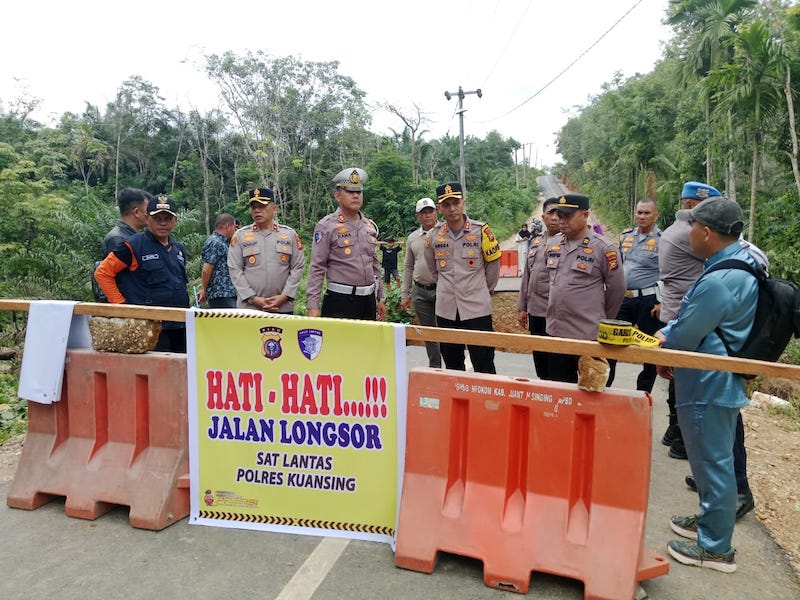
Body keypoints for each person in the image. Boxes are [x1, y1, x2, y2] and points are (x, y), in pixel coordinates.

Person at [655, 197, 758, 574]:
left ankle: (716, 548)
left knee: (714, 463)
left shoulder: (721, 279)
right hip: (709, 380)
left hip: (708, 384)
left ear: (707, 232)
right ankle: (710, 520)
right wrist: (671, 336)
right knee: (709, 461)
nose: (689, 233)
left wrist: (664, 343)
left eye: (692, 226)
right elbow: (693, 322)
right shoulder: (733, 265)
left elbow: (686, 333)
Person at [545, 193, 626, 383]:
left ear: (585, 215)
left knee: (590, 392)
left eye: (568, 215)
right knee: (559, 392)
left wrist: (601, 319)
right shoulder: (554, 243)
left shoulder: (604, 248)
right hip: (556, 333)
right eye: (559, 215)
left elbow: (617, 289)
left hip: (588, 335)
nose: (561, 220)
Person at [95, 194, 190, 353]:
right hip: (149, 326)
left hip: (180, 324)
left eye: (167, 218)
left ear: (175, 221)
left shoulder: (178, 249)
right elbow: (103, 273)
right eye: (157, 218)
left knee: (182, 371)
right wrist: (120, 306)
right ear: (147, 219)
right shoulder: (132, 246)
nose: (162, 223)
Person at [423, 181, 501, 373]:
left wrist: (483, 291)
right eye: (446, 205)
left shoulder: (481, 231)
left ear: (463, 202)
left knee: (484, 363)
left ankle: (486, 403)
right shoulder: (433, 236)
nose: (452, 209)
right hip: (446, 310)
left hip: (477, 309)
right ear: (439, 208)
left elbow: (493, 266)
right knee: (452, 364)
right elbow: (433, 270)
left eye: (455, 203)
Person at [306, 168, 386, 320]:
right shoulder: (326, 226)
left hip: (368, 300)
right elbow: (317, 267)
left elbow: (374, 264)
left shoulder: (368, 226)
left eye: (359, 192)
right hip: (340, 300)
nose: (355, 195)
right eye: (349, 191)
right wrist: (313, 306)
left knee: (365, 343)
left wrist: (381, 297)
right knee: (338, 344)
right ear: (337, 195)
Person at [606, 198, 662, 391]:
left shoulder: (663, 240)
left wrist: (662, 301)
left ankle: (643, 392)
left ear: (656, 215)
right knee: (611, 343)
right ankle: (605, 386)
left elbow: (671, 272)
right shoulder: (626, 236)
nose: (642, 216)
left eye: (647, 213)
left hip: (649, 302)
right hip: (624, 299)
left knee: (650, 347)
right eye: (639, 212)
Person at [227, 188, 305, 313]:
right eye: (254, 207)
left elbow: (298, 267)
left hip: (282, 307)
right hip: (250, 308)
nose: (257, 210)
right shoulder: (240, 236)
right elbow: (235, 270)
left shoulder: (289, 235)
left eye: (262, 206)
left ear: (274, 208)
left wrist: (285, 296)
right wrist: (253, 298)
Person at [516, 197, 561, 379]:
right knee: (540, 360)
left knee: (558, 363)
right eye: (551, 213)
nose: (556, 217)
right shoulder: (535, 242)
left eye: (560, 212)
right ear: (543, 217)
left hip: (558, 314)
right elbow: (527, 275)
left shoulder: (570, 242)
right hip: (536, 311)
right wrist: (522, 307)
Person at [400, 198, 441, 368]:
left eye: (430, 211)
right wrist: (405, 294)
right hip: (420, 292)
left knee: (446, 332)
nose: (428, 215)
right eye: (423, 213)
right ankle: (435, 368)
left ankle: (454, 368)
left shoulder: (446, 232)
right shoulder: (412, 238)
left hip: (443, 291)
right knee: (428, 333)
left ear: (436, 212)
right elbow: (408, 266)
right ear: (418, 216)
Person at [92, 188, 153, 302]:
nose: (151, 215)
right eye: (148, 211)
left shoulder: (134, 237)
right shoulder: (118, 238)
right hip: (127, 308)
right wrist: (121, 305)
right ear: (136, 212)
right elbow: (108, 276)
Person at [198, 213, 238, 308]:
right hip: (221, 295)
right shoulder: (214, 242)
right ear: (228, 226)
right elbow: (206, 270)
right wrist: (204, 290)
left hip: (230, 294)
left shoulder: (224, 243)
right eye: (234, 227)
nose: (235, 231)